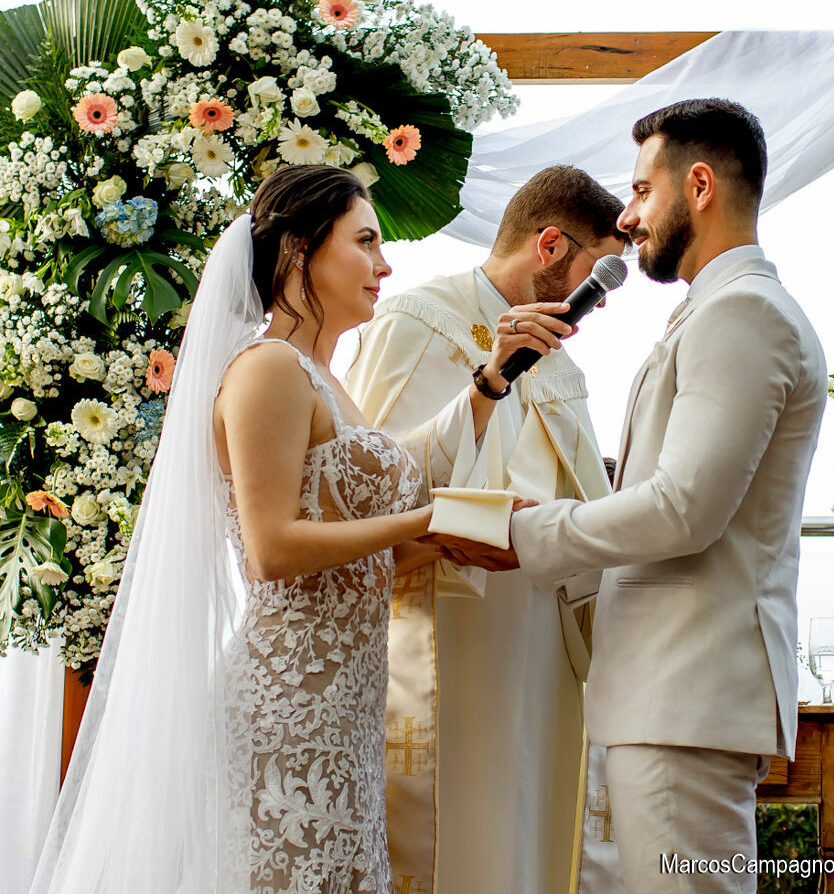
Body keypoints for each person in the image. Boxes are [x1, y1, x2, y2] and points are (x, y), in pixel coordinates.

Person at [29, 164, 569, 894]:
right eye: (366, 241)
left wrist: (457, 507)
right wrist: (431, 517)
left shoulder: (325, 379)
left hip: (342, 711)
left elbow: (362, 546)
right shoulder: (266, 370)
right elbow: (271, 549)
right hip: (285, 709)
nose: (386, 263)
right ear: (298, 251)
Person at [437, 100, 828, 893]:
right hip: (669, 693)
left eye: (642, 191)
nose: (628, 215)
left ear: (699, 185)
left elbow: (684, 509)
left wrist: (526, 534)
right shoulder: (719, 312)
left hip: (685, 691)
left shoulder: (742, 314)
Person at [344, 164, 628, 894]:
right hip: (453, 627)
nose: (596, 300)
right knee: (456, 844)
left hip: (546, 639)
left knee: (531, 841)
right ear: (550, 246)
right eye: (596, 271)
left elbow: (576, 486)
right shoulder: (420, 319)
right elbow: (371, 482)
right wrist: (487, 385)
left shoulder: (560, 365)